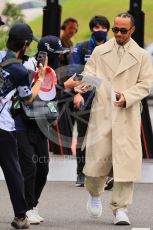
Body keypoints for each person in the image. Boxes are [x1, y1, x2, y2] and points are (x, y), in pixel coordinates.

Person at [77, 12, 153, 225]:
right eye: (115, 29)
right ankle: (94, 194)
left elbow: (145, 84)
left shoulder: (141, 55)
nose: (118, 33)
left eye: (123, 30)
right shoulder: (101, 51)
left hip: (126, 115)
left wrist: (127, 96)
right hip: (102, 113)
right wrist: (86, 84)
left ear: (132, 30)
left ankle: (121, 209)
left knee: (125, 166)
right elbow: (89, 72)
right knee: (95, 165)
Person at [15, 35, 81, 224]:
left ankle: (32, 204)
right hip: (22, 125)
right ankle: (26, 209)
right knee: (30, 169)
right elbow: (32, 98)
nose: (60, 58)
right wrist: (63, 86)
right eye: (57, 54)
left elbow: (51, 101)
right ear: (46, 53)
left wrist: (69, 91)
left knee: (43, 169)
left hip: (41, 126)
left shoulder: (51, 72)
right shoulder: (28, 68)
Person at [0, 22, 46, 229]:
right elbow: (28, 99)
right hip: (4, 127)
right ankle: (21, 216)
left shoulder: (1, 56)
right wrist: (40, 78)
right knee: (12, 171)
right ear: (25, 44)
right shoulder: (19, 71)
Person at [70, 15, 112, 188]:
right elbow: (74, 73)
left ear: (108, 30)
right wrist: (77, 93)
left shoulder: (114, 48)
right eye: (96, 27)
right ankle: (81, 172)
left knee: (107, 138)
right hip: (85, 100)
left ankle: (106, 175)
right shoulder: (82, 48)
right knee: (83, 138)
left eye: (103, 27)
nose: (100, 30)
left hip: (107, 102)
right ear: (91, 29)